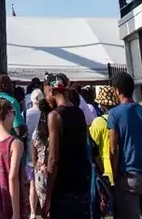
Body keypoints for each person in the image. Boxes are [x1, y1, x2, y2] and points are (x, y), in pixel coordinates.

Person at [108, 72, 142, 219]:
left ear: (117, 90)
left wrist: (115, 177)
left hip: (128, 176)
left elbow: (113, 149)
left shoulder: (114, 114)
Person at [43, 73, 90, 219]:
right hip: (82, 185)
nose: (45, 98)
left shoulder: (55, 116)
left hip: (63, 189)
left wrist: (48, 196)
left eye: (45, 93)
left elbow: (53, 159)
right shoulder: (79, 112)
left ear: (51, 91)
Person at [89, 86, 119, 186]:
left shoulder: (98, 122)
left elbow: (92, 148)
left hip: (105, 172)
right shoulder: (122, 119)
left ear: (102, 105)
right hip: (122, 171)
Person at [0, 75, 27, 140]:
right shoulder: (11, 101)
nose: (12, 86)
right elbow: (19, 130)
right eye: (10, 84)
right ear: (3, 86)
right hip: (7, 145)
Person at [29, 98, 52, 219]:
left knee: (43, 205)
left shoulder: (36, 132)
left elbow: (33, 153)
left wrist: (36, 166)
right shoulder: (53, 132)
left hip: (39, 171)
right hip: (52, 170)